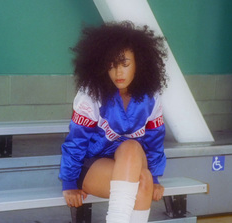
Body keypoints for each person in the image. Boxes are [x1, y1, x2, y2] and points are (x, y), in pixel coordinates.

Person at [59, 21, 168, 223]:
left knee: (132, 148)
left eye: (125, 65)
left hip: (132, 160)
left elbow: (155, 140)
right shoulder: (91, 95)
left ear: (139, 63)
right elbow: (76, 141)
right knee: (142, 180)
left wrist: (156, 178)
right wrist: (69, 183)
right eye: (112, 65)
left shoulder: (151, 96)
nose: (118, 73)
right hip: (94, 165)